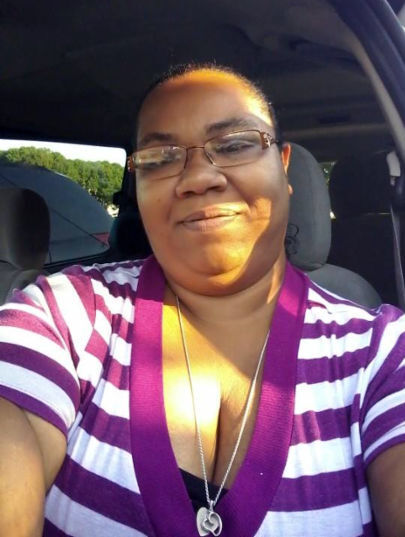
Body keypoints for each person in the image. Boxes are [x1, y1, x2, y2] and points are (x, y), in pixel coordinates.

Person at [0, 63, 405, 537]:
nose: (197, 177)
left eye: (234, 145)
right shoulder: (66, 312)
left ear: (283, 167)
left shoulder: (380, 352)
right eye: (159, 158)